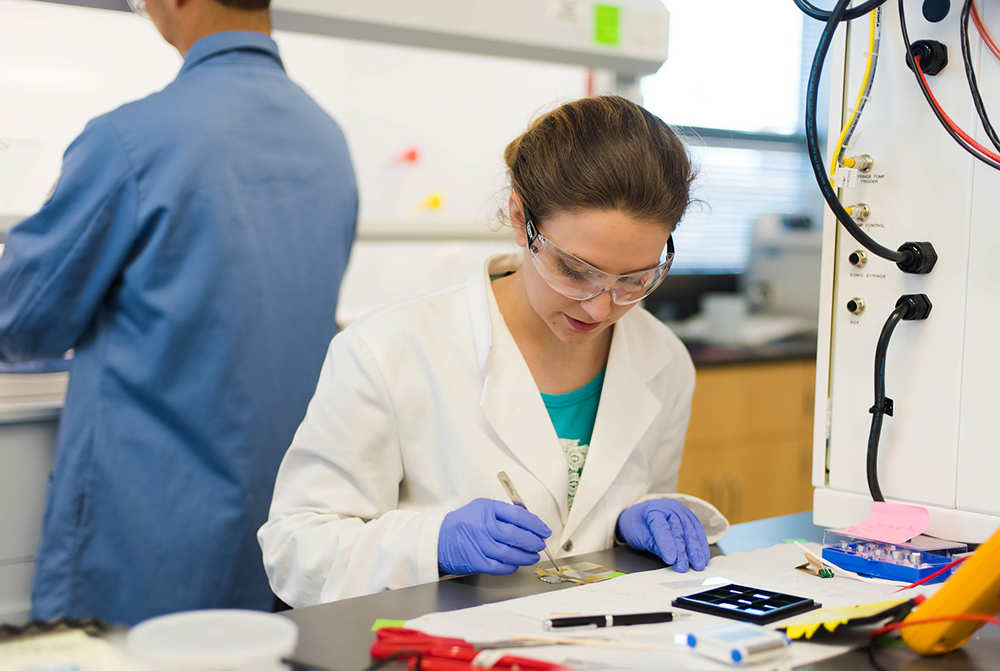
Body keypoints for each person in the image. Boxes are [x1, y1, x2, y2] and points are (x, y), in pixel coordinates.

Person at [259, 95, 728, 607]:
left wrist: (638, 517)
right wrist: (434, 544)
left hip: (599, 650)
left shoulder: (663, 359)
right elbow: (295, 547)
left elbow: (612, 511)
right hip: (435, 656)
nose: (599, 308)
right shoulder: (386, 351)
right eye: (575, 271)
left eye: (634, 279)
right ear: (519, 216)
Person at [0, 0, 357, 625]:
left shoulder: (133, 139)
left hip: (144, 538)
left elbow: (21, 320)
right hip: (278, 533)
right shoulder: (327, 141)